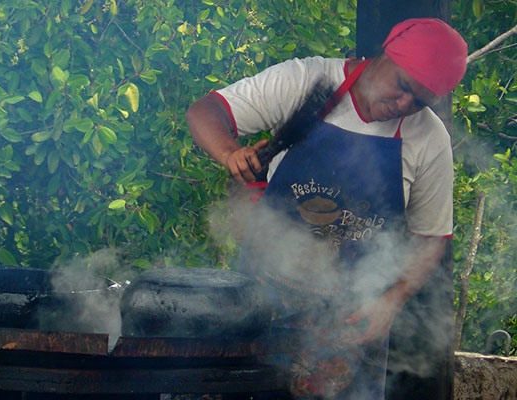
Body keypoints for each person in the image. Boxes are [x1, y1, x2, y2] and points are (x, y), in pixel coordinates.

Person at [186, 18, 467, 400]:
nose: (403, 105)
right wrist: (229, 153)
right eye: (402, 86)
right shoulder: (305, 81)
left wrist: (392, 299)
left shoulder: (429, 139)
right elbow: (206, 111)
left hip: (349, 324)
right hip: (263, 302)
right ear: (386, 52)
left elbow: (431, 236)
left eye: (419, 101)